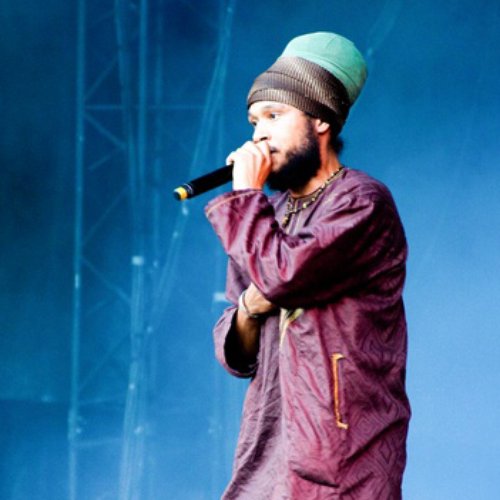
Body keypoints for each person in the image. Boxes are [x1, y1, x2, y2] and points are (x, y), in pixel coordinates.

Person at [205, 32, 411, 499]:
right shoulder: (268, 213)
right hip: (267, 454)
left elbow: (282, 276)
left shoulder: (362, 202)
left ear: (320, 119)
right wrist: (248, 310)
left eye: (274, 116)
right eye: (254, 121)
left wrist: (245, 196)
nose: (258, 134)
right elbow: (238, 350)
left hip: (344, 459)